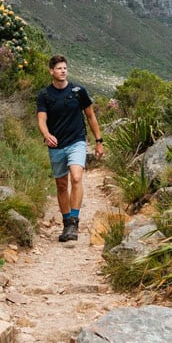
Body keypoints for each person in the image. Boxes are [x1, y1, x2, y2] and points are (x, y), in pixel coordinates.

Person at [36, 54, 104, 242]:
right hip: (56, 145)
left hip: (77, 141)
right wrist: (46, 134)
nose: (63, 71)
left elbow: (90, 116)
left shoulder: (78, 91)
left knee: (76, 177)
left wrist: (99, 141)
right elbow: (41, 119)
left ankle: (74, 221)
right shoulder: (45, 95)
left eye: (65, 68)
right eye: (59, 68)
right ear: (51, 71)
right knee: (61, 184)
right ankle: (66, 224)